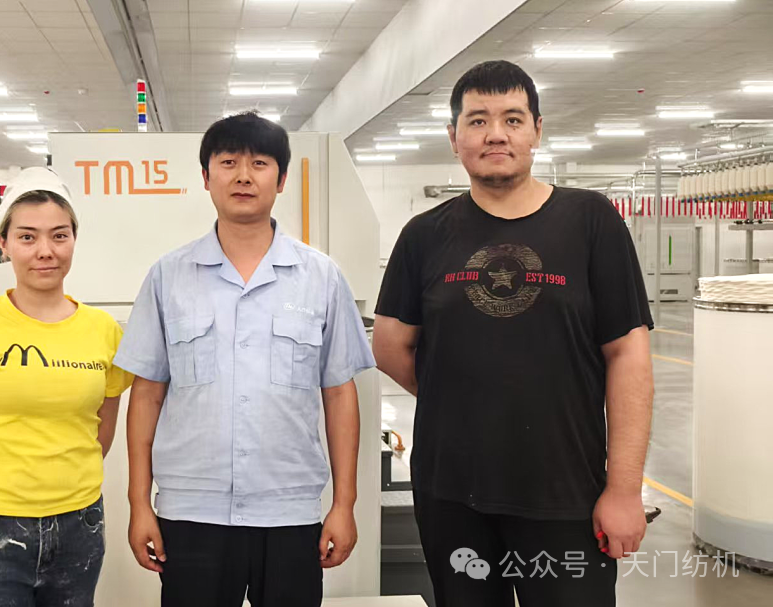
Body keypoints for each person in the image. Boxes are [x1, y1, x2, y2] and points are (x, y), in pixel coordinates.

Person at [372, 60, 654, 607]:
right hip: (452, 495)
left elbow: (628, 355)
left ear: (537, 131)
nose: (495, 134)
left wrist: (623, 489)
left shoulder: (592, 221)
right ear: (454, 136)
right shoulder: (424, 235)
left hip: (565, 491)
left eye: (513, 119)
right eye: (477, 120)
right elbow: (390, 347)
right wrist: (466, 396)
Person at [113, 112, 375, 607]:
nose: (243, 176)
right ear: (206, 177)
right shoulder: (169, 276)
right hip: (192, 513)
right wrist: (138, 504)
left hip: (290, 511)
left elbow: (340, 396)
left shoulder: (320, 278)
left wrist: (344, 504)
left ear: (281, 179)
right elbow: (146, 396)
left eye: (259, 163)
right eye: (228, 162)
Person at [0, 167, 133, 607]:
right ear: (3, 243)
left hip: (79, 523)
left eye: (59, 236)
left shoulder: (103, 330)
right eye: (27, 237)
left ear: (74, 240)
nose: (45, 251)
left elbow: (102, 431)